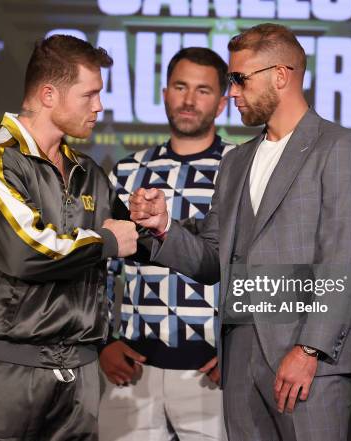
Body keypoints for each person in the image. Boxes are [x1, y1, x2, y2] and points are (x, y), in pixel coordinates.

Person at [129, 23, 351, 441]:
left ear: (281, 76)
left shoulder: (338, 147)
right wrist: (164, 228)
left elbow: (344, 260)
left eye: (240, 79)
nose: (232, 92)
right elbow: (212, 258)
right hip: (240, 355)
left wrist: (309, 350)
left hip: (306, 358)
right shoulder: (237, 161)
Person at [0, 35, 152, 441]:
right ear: (48, 94)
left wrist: (146, 223)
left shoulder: (89, 171)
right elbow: (27, 251)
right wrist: (110, 240)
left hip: (78, 375)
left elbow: (123, 238)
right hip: (7, 371)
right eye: (89, 94)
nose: (99, 106)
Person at [98, 47, 232, 441]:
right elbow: (102, 266)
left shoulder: (240, 167)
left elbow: (255, 263)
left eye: (203, 90)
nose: (189, 100)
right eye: (180, 86)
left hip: (213, 373)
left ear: (223, 102)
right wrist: (103, 341)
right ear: (164, 93)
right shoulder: (127, 170)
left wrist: (242, 350)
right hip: (133, 370)